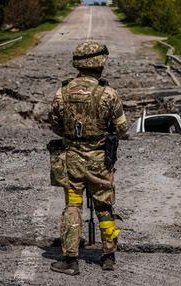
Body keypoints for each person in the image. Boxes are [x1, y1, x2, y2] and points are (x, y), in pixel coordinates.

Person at [48, 41, 129, 275]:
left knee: (73, 205)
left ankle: (70, 260)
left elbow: (55, 126)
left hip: (71, 159)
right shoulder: (109, 94)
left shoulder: (62, 92)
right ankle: (108, 256)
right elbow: (122, 130)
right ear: (100, 64)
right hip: (100, 161)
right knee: (104, 206)